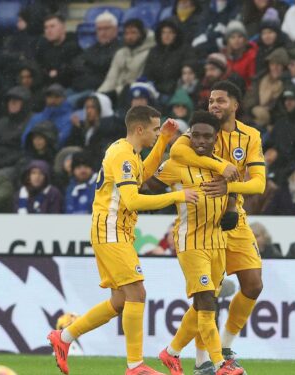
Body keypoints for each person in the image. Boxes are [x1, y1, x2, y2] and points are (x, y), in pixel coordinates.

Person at [47, 106, 197, 375]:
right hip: (111, 230)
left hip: (116, 231)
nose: (155, 132)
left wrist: (163, 139)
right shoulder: (122, 156)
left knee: (120, 301)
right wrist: (178, 196)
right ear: (139, 129)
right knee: (137, 293)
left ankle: (65, 337)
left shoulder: (128, 152)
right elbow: (133, 199)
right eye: (154, 129)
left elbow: (145, 174)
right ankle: (135, 365)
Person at [169, 81, 266, 372]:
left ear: (235, 105)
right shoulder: (199, 131)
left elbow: (259, 184)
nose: (214, 106)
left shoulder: (250, 137)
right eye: (211, 100)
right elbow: (176, 154)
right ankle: (202, 362)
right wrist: (220, 167)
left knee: (253, 284)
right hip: (205, 222)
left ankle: (223, 344)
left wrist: (228, 187)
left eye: (221, 101)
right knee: (207, 294)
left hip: (235, 217)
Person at [152, 111, 243, 375]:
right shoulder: (176, 164)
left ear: (216, 139)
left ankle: (171, 353)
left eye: (207, 136)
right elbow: (148, 186)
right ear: (189, 135)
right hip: (190, 242)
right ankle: (219, 364)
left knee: (202, 303)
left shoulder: (223, 165)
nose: (201, 141)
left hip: (217, 242)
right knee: (206, 302)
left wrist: (232, 209)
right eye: (196, 135)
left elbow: (234, 192)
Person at [70, 12, 122, 102]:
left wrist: (89, 64)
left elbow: (104, 64)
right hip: (81, 87)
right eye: (99, 29)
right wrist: (94, 66)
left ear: (116, 30)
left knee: (68, 102)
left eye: (106, 28)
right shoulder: (94, 47)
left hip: (99, 90)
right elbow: (76, 63)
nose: (102, 32)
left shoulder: (120, 48)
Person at [97, 18, 156, 98]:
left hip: (135, 94)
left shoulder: (150, 52)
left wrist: (115, 93)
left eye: (133, 33)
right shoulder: (121, 53)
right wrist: (99, 95)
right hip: (115, 93)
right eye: (127, 33)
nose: (129, 37)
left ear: (142, 34)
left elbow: (139, 81)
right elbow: (110, 79)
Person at [0, 86, 32, 180]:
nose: (12, 103)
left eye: (16, 101)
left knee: (1, 176)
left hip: (17, 165)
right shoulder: (2, 122)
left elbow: (27, 151)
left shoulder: (32, 122)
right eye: (10, 101)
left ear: (25, 104)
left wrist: (8, 159)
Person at [143, 19, 190, 98]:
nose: (166, 35)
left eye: (170, 32)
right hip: (154, 91)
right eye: (163, 32)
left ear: (176, 34)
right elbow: (147, 73)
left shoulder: (184, 51)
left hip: (173, 92)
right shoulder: (154, 51)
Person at [34, 14, 81, 88]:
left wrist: (57, 72)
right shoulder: (43, 47)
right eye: (46, 28)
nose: (49, 31)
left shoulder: (73, 47)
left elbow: (73, 70)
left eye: (52, 26)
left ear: (63, 28)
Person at [22, 84, 72, 149]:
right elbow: (25, 138)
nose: (53, 100)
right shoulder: (36, 117)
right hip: (33, 154)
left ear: (64, 99)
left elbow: (61, 140)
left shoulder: (70, 118)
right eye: (49, 96)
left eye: (57, 97)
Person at [223, 21, 259, 89]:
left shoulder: (252, 56)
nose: (236, 40)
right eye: (232, 37)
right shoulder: (223, 57)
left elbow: (252, 81)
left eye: (240, 36)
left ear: (244, 39)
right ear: (228, 40)